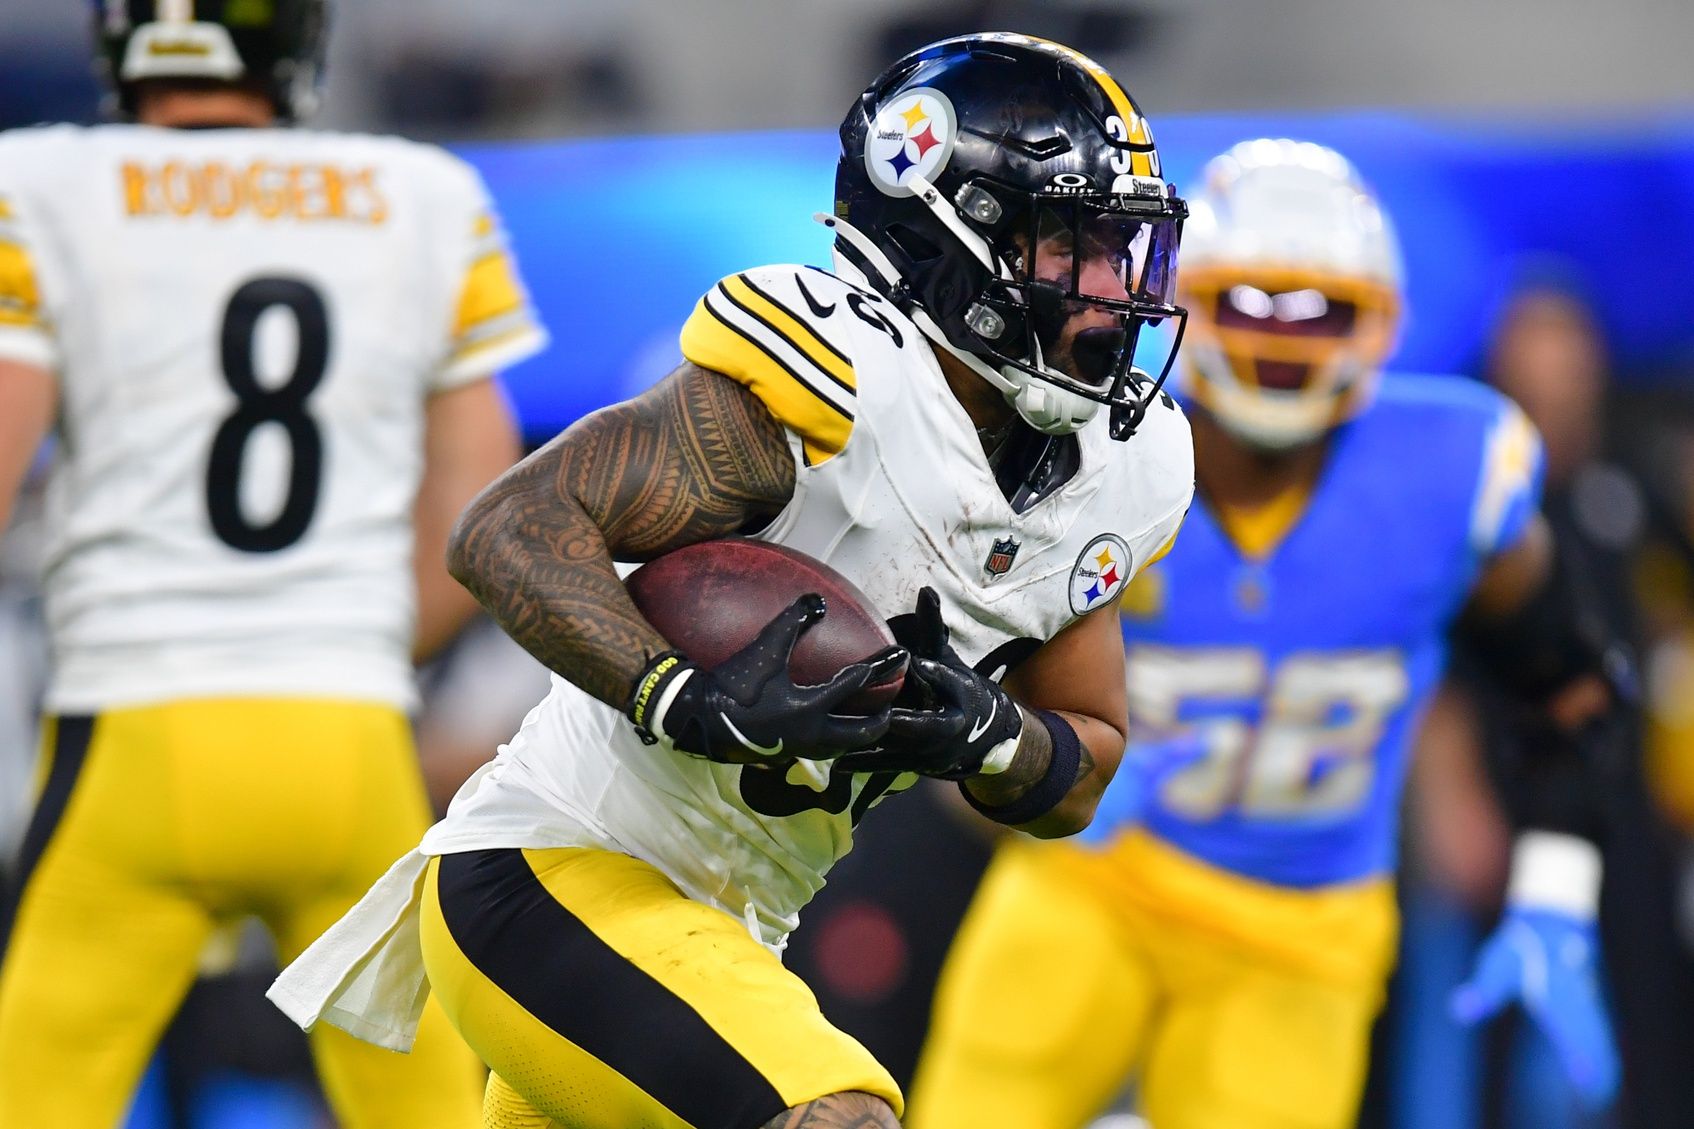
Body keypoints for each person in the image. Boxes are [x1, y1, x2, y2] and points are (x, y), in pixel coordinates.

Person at [269, 32, 1194, 1129]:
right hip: (555, 874)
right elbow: (510, 528)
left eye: (1121, 249)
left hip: (728, 927)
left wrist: (983, 733)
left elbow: (1080, 763)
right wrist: (678, 692)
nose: (1111, 290)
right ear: (953, 237)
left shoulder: (1118, 471)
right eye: (1070, 246)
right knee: (837, 1117)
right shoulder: (836, 384)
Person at [907, 140, 1627, 1129]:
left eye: (1315, 308)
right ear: (1188, 302)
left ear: (1378, 321)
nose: (1280, 339)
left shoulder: (1452, 469)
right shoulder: (1088, 453)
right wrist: (1011, 775)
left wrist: (1553, 889)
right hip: (1093, 885)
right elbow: (950, 685)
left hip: (1305, 926)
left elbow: (1573, 685)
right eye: (1249, 303)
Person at [0, 2, 546, 1126]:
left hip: (134, 734)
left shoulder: (44, 183)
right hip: (343, 739)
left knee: (35, 1094)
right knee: (430, 1105)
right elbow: (482, 511)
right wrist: (338, 636)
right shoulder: (422, 196)